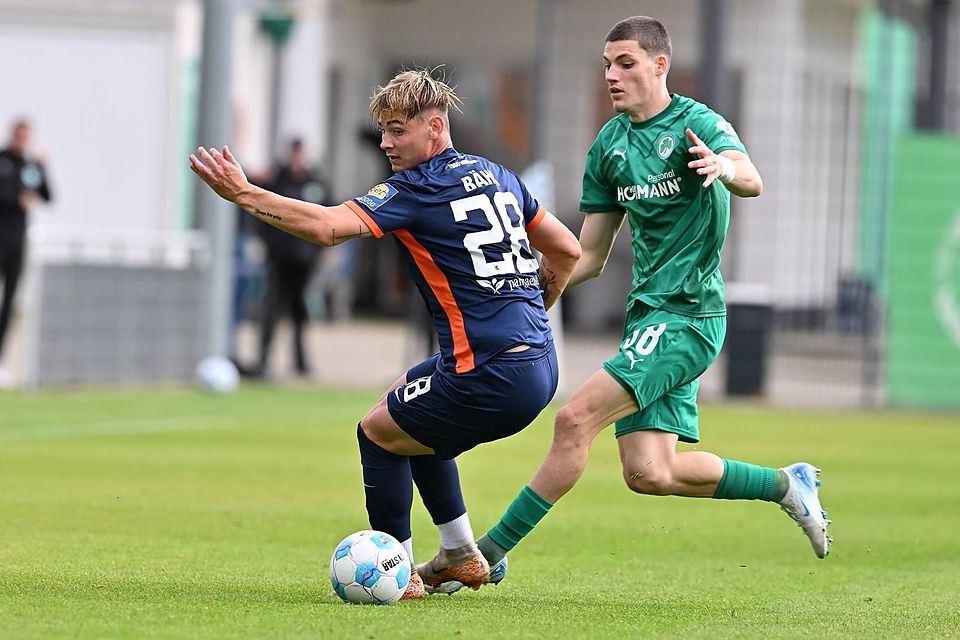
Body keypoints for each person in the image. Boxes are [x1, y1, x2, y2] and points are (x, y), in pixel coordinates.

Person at [416, 16, 832, 593]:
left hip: (688, 315)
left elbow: (752, 178)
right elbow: (589, 254)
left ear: (660, 65)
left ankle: (482, 556)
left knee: (573, 420)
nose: (612, 74)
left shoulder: (697, 123)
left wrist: (723, 167)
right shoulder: (610, 146)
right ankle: (788, 484)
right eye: (607, 64)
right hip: (647, 318)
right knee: (649, 472)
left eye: (626, 63)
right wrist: (531, 291)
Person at [189, 69, 581, 598]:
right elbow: (567, 251)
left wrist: (243, 193)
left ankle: (398, 573)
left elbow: (327, 227)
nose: (385, 142)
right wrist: (531, 312)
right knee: (409, 409)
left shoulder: (417, 187)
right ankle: (462, 553)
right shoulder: (499, 175)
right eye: (383, 130)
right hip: (539, 363)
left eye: (398, 129)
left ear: (435, 127)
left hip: (488, 373)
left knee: (377, 431)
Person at [252, 138, 330, 378]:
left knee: (300, 311)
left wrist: (316, 253)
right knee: (271, 308)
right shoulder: (277, 181)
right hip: (278, 259)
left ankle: (300, 362)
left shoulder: (315, 182)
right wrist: (268, 245)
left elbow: (329, 217)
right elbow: (261, 213)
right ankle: (263, 359)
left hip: (304, 262)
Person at [0, 119, 52, 382]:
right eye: (18, 136)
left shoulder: (30, 166)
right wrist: (16, 198)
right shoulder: (3, 160)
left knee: (9, 301)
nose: (22, 141)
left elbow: (48, 195)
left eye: (25, 137)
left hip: (17, 242)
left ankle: (0, 361)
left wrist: (43, 166)